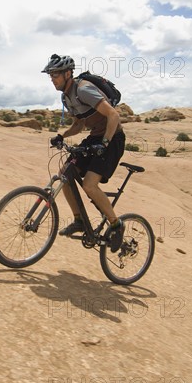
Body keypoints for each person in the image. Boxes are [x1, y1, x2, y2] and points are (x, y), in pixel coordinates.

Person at [42, 53, 126, 252]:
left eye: (55, 75)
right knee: (65, 174)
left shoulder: (84, 89)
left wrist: (104, 143)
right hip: (94, 139)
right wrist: (62, 135)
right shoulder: (66, 96)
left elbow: (113, 115)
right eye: (50, 75)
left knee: (89, 185)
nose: (52, 79)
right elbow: (79, 125)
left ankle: (116, 225)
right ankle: (79, 220)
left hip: (112, 138)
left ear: (68, 73)